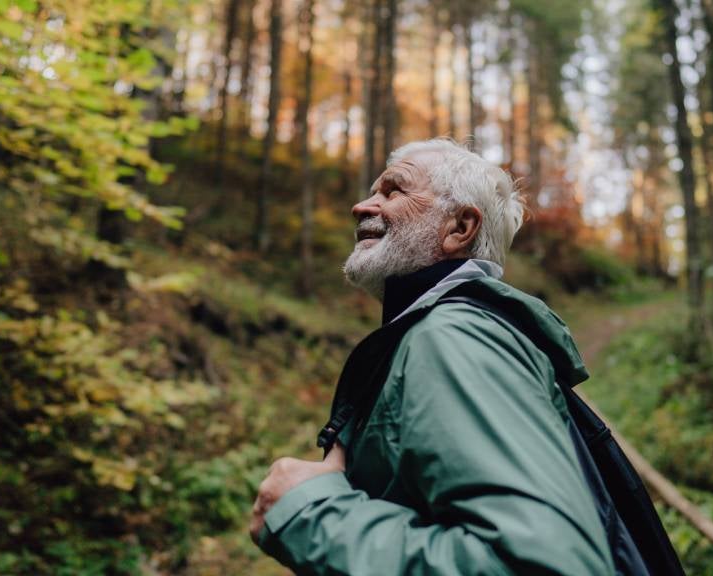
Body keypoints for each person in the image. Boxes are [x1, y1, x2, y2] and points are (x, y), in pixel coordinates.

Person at [248, 139, 616, 575]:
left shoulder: (456, 337)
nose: (361, 206)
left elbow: (538, 566)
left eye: (393, 191)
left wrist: (308, 513)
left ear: (459, 227)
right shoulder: (444, 333)